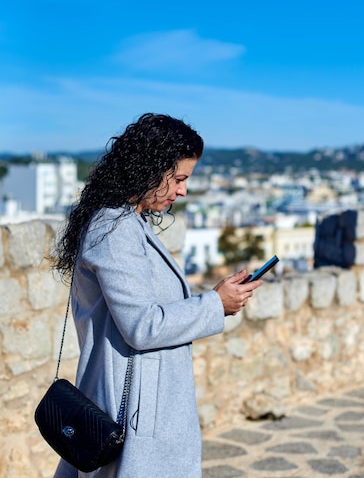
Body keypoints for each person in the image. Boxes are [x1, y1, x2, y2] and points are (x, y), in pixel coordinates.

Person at [52, 113, 262, 478]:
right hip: (133, 411)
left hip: (142, 404)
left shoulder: (129, 223)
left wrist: (216, 297)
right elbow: (142, 326)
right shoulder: (113, 230)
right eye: (178, 179)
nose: (183, 191)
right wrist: (214, 304)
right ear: (149, 168)